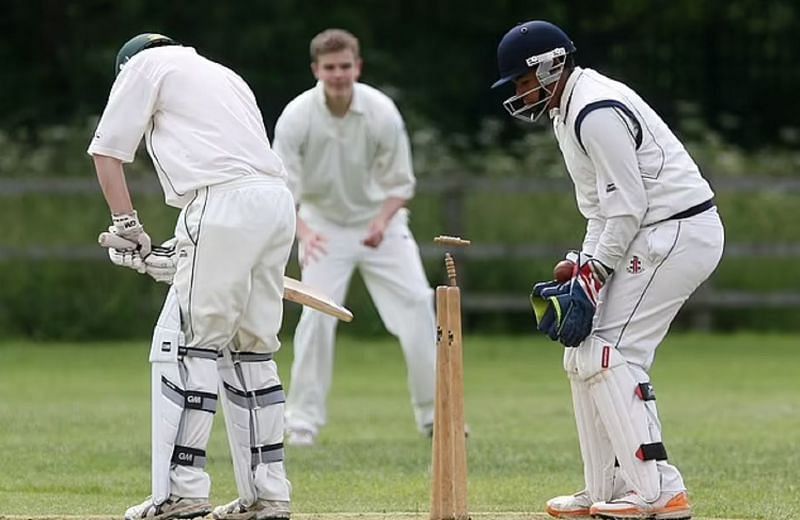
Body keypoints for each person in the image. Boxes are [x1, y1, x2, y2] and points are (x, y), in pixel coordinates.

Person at [492, 21, 724, 520]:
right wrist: (584, 267)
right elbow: (600, 211)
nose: (519, 92)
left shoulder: (594, 110)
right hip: (653, 230)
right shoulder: (566, 111)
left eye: (521, 80)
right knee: (582, 356)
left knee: (608, 354)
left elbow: (628, 206)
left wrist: (595, 274)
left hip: (676, 230)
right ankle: (605, 487)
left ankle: (659, 491)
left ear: (549, 66)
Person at [88, 33, 295, 520]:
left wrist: (127, 227)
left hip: (220, 203)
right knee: (252, 351)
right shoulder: (224, 74)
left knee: (186, 345)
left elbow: (107, 152)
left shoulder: (142, 67)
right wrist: (176, 256)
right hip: (275, 202)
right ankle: (268, 495)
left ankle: (180, 491)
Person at [272, 28, 437, 447]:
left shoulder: (382, 111)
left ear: (357, 66)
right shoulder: (297, 115)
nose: (339, 75)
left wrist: (382, 222)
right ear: (316, 70)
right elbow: (279, 187)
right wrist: (304, 232)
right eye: (330, 68)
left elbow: (401, 183)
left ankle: (435, 416)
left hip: (379, 222)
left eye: (345, 66)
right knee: (316, 317)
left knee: (419, 305)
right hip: (321, 227)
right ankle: (302, 423)